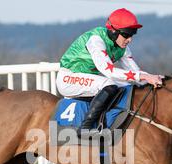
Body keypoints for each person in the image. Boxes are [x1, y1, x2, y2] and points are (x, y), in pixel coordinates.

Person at [56, 8, 165, 137]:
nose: (129, 39)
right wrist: (143, 76)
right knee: (109, 85)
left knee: (126, 87)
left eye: (132, 34)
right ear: (113, 31)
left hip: (85, 79)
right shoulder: (96, 40)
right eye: (126, 34)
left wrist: (152, 78)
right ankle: (85, 128)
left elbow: (135, 73)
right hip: (68, 79)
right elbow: (109, 71)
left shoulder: (123, 48)